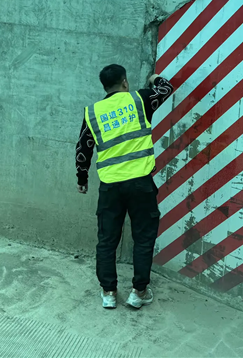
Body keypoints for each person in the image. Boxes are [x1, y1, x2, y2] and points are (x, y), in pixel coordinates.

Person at [75, 64, 174, 309]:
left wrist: (82, 179)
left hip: (111, 187)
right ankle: (139, 293)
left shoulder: (93, 112)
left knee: (107, 240)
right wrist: (154, 77)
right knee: (143, 237)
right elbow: (166, 88)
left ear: (105, 87)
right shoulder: (140, 100)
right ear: (125, 82)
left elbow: (83, 148)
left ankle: (109, 292)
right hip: (141, 184)